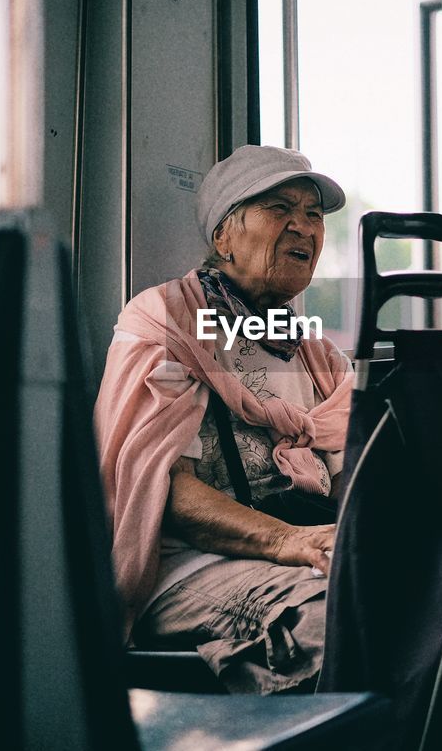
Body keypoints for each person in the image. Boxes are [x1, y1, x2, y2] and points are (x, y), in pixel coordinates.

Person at [93, 145, 352, 694]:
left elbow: (351, 475)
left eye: (312, 215)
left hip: (302, 548)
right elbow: (166, 489)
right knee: (344, 625)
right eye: (280, 208)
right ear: (223, 237)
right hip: (189, 565)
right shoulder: (168, 321)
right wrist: (291, 542)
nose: (302, 227)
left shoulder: (316, 352)